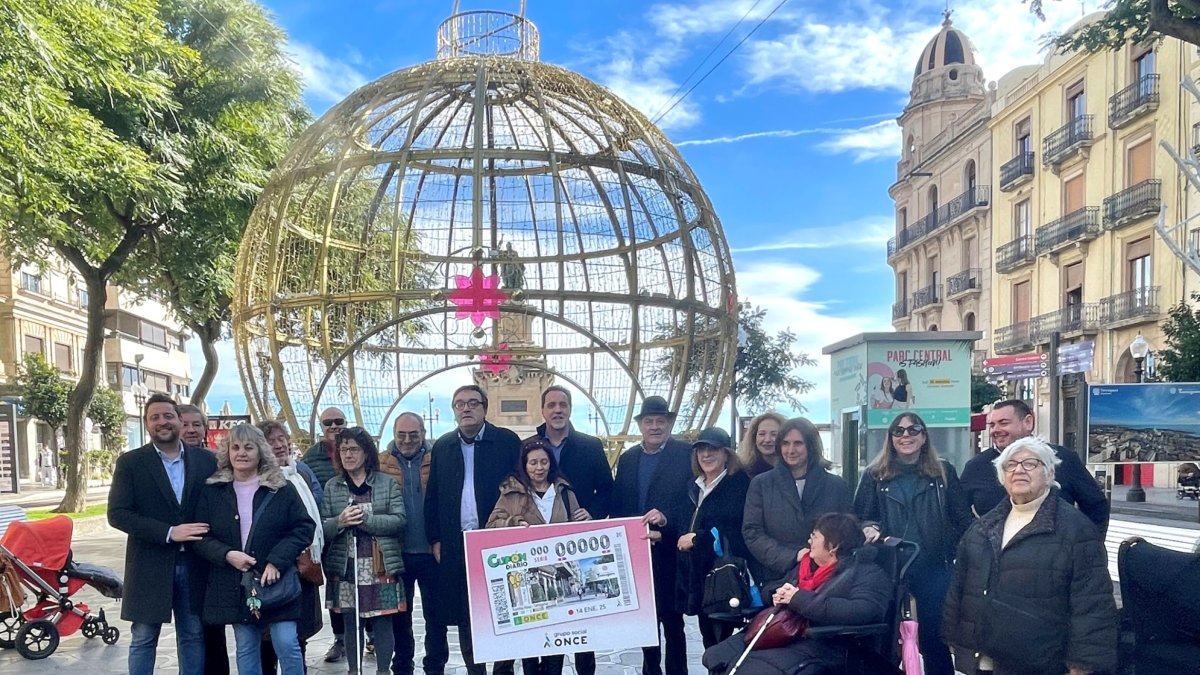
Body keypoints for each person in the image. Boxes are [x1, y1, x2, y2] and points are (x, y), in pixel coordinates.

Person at [944, 436, 1118, 675]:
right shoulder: (983, 528)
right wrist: (955, 637)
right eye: (1011, 465)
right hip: (983, 659)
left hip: (1039, 660)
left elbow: (1092, 601)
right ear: (1002, 477)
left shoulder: (1076, 529)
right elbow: (962, 586)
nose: (1019, 470)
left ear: (1049, 474)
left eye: (1030, 464)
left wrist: (1082, 663)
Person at [853, 412, 972, 675]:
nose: (906, 435)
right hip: (890, 568)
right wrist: (868, 527)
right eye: (899, 431)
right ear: (891, 438)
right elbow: (859, 517)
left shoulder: (943, 472)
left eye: (913, 429)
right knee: (885, 642)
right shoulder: (874, 475)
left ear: (924, 436)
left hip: (934, 568)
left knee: (935, 641)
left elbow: (962, 518)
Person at [702, 513, 893, 675]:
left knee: (750, 668)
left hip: (823, 643)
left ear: (833, 545)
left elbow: (864, 610)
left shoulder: (867, 573)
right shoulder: (807, 565)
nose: (809, 541)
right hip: (781, 632)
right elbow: (773, 586)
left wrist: (798, 599)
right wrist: (777, 594)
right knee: (716, 656)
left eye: (815, 536)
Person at [108, 393, 217, 675]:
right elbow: (117, 514)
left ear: (179, 420)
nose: (162, 422)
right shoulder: (131, 463)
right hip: (149, 564)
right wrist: (169, 532)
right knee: (144, 637)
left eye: (168, 416)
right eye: (155, 417)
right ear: (146, 424)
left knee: (193, 634)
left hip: (196, 563)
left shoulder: (207, 461)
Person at [193, 424, 314, 675]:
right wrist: (227, 555)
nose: (242, 453)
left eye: (249, 447)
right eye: (235, 447)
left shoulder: (280, 487)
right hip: (235, 582)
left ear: (261, 451)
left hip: (276, 581)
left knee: (287, 643)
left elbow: (303, 527)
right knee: (246, 647)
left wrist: (276, 561)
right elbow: (201, 537)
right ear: (227, 452)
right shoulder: (213, 491)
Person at [425, 385, 522, 675]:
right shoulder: (443, 446)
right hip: (457, 544)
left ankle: (503, 669)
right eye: (459, 404)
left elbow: (520, 487)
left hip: (496, 540)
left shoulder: (507, 441)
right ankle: (474, 670)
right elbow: (433, 495)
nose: (465, 409)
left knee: (504, 609)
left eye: (472, 403)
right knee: (466, 613)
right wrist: (435, 538)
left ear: (484, 407)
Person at [487, 437, 590, 675]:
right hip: (526, 577)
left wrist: (586, 517)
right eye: (533, 462)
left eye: (544, 461)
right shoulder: (511, 492)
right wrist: (512, 522)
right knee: (530, 647)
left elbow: (579, 531)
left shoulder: (564, 492)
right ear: (524, 465)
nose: (539, 467)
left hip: (558, 578)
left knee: (555, 646)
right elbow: (491, 524)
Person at [611, 396, 693, 675]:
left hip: (671, 551)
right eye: (649, 421)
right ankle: (650, 671)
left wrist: (667, 523)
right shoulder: (628, 458)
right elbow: (620, 503)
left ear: (669, 423)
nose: (655, 426)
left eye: (661, 421)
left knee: (673, 622)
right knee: (645, 621)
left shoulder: (686, 454)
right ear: (640, 425)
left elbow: (692, 501)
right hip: (637, 553)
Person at [534, 385, 613, 675]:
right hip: (541, 547)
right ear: (542, 410)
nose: (557, 410)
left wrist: (591, 511)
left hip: (581, 544)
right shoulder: (530, 445)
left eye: (563, 404)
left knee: (582, 620)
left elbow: (607, 489)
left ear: (569, 409)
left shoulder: (590, 445)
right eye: (552, 404)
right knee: (548, 616)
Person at [322, 426, 407, 675]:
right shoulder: (332, 486)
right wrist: (339, 521)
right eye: (344, 449)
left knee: (383, 621)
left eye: (354, 449)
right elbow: (322, 529)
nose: (348, 454)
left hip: (380, 564)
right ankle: (353, 670)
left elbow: (400, 520)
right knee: (351, 622)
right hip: (346, 565)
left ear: (366, 453)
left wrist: (366, 520)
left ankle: (383, 671)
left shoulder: (386, 483)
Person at [960, 399, 1108, 531]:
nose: (996, 430)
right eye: (992, 425)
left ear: (1028, 422)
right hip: (994, 557)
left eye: (1004, 423)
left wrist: (1084, 548)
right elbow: (958, 512)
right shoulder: (976, 466)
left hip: (1053, 557)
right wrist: (978, 541)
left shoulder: (1062, 458)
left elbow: (1096, 506)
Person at [742, 417, 854, 586]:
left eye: (798, 443)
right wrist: (792, 556)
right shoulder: (761, 484)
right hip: (776, 578)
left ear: (811, 445)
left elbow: (848, 529)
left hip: (827, 579)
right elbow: (752, 532)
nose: (791, 450)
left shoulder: (836, 485)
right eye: (785, 443)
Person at [379, 412, 448, 675]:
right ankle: (403, 665)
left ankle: (435, 665)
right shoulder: (381, 463)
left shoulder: (437, 458)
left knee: (435, 616)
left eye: (413, 434)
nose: (407, 440)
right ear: (394, 435)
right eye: (401, 435)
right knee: (399, 616)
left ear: (423, 433)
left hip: (433, 551)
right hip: (397, 553)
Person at [674, 427, 750, 648]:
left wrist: (698, 539)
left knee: (723, 645)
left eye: (713, 449)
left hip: (725, 579)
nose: (706, 455)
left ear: (726, 453)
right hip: (698, 578)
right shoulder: (693, 486)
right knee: (710, 642)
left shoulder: (740, 486)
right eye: (701, 449)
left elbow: (738, 530)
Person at [258, 420, 325, 672]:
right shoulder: (257, 478)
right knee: (267, 639)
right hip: (273, 569)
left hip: (305, 566)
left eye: (281, 438)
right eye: (270, 441)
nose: (278, 445)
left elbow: (313, 515)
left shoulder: (301, 472)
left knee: (299, 635)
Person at [177, 405, 230, 675]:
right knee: (189, 627)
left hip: (211, 552)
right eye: (184, 423)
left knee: (212, 624)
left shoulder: (214, 461)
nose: (190, 429)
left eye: (196, 424)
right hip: (179, 553)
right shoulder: (167, 462)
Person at [303, 406, 349, 662]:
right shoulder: (312, 457)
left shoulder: (357, 446)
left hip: (362, 530)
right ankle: (340, 639)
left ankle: (372, 636)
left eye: (338, 421)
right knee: (336, 590)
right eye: (327, 423)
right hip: (329, 533)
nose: (333, 426)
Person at [735, 412, 785, 477]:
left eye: (774, 434)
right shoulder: (743, 473)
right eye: (762, 434)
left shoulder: (793, 469)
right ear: (754, 437)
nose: (767, 440)